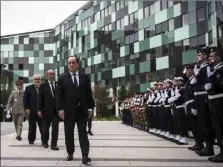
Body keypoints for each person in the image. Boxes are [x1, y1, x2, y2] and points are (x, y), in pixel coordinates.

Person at [57, 56, 95, 164]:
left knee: (83, 133)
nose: (71, 64)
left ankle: (85, 155)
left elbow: (88, 93)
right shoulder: (62, 79)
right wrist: (60, 110)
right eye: (69, 63)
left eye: (73, 62)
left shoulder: (84, 77)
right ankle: (70, 153)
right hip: (68, 111)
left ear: (78, 64)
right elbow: (59, 96)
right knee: (69, 133)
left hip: (82, 110)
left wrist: (90, 107)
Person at [190, 47, 216, 156]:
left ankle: (209, 147)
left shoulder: (208, 67)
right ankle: (206, 146)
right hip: (198, 97)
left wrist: (197, 71)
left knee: (207, 122)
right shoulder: (200, 67)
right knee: (202, 123)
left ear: (206, 56)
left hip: (204, 96)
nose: (198, 57)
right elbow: (193, 83)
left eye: (200, 55)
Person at [205, 47, 223, 162]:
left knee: (221, 126)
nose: (209, 58)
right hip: (212, 100)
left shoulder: (221, 70)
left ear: (218, 57)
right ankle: (221, 151)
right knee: (217, 127)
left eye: (212, 56)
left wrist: (212, 78)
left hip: (220, 100)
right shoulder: (214, 70)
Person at [38, 69, 59, 150]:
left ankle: (54, 144)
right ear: (47, 75)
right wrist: (39, 109)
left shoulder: (58, 84)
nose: (52, 75)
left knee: (55, 128)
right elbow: (40, 99)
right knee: (45, 128)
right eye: (50, 74)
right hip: (45, 111)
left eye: (53, 74)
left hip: (56, 111)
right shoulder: (43, 86)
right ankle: (45, 142)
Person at [183, 65, 203, 150]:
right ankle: (197, 142)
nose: (186, 72)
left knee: (196, 125)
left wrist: (194, 106)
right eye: (186, 71)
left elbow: (195, 95)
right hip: (188, 104)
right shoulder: (188, 81)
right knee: (192, 125)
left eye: (188, 70)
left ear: (192, 71)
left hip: (192, 104)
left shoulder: (194, 80)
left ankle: (200, 143)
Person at [23, 74, 43, 145]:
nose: (37, 80)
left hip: (42, 111)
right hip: (32, 110)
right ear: (33, 80)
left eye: (38, 79)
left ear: (40, 80)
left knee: (43, 126)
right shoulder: (28, 88)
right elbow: (25, 99)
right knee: (32, 126)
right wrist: (27, 108)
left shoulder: (43, 87)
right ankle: (31, 140)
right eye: (35, 79)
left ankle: (44, 141)